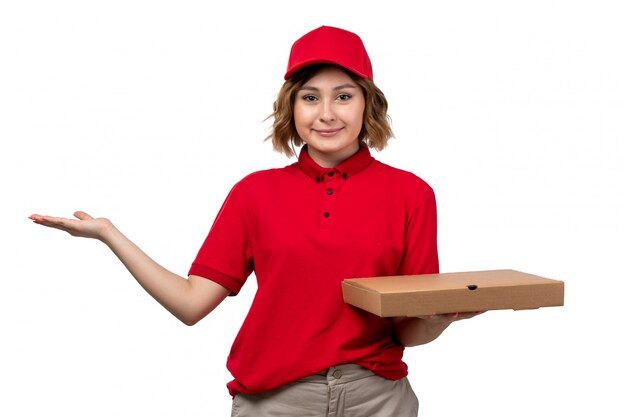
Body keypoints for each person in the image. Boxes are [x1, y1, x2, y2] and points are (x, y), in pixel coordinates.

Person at [30, 25, 480, 417]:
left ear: (368, 104)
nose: (326, 113)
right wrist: (110, 235)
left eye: (343, 96)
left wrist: (442, 317)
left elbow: (410, 328)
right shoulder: (255, 193)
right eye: (310, 97)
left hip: (377, 399)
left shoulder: (411, 194)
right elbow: (191, 305)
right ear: (292, 107)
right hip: (275, 401)